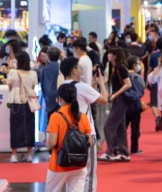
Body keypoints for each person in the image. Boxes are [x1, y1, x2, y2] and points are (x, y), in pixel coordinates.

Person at [60, 56, 108, 192]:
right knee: (88, 172)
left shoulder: (62, 88)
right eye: (79, 68)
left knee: (72, 172)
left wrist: (92, 85)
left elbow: (82, 100)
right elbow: (104, 100)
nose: (81, 70)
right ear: (74, 71)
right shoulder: (82, 86)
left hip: (67, 134)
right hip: (86, 134)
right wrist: (101, 83)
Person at [44, 83, 93, 192]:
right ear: (75, 97)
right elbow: (90, 141)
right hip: (79, 164)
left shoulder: (56, 116)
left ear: (60, 98)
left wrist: (47, 142)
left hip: (59, 164)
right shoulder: (83, 117)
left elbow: (51, 143)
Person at [99, 47, 132, 162]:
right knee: (121, 128)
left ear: (115, 56)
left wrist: (115, 95)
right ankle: (123, 153)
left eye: (110, 53)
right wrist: (113, 94)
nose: (108, 55)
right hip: (119, 99)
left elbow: (128, 84)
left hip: (120, 100)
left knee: (108, 126)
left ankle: (109, 152)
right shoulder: (117, 67)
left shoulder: (121, 68)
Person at [5, 51, 39, 163]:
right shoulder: (33, 74)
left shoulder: (13, 72)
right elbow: (32, 87)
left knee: (15, 128)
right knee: (30, 127)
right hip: (29, 102)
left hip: (16, 101)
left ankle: (14, 155)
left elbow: (10, 87)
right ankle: (29, 154)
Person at [125, 56, 146, 154]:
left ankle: (120, 146)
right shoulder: (138, 77)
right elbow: (143, 87)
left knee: (123, 127)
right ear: (134, 65)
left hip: (125, 104)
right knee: (135, 127)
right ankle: (134, 148)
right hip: (135, 104)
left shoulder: (124, 75)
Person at [42, 47, 64, 117]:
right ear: (58, 57)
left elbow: (43, 86)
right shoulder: (61, 67)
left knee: (51, 120)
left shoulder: (45, 69)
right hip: (60, 98)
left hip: (49, 100)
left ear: (48, 57)